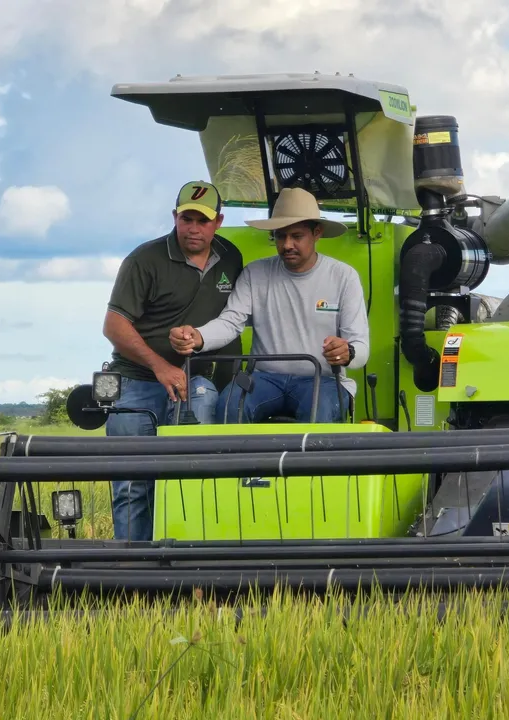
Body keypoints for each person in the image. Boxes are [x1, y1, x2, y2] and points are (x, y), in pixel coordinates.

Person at [103, 180, 243, 540]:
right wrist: (159, 365)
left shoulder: (231, 258)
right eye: (186, 218)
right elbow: (114, 326)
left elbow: (233, 322)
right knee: (133, 485)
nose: (193, 228)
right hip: (137, 382)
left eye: (203, 220)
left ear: (219, 221)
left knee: (193, 477)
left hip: (194, 381)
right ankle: (132, 574)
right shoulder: (143, 260)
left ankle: (191, 566)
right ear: (174, 217)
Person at [169, 186, 369, 424]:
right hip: (264, 378)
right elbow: (231, 322)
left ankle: (305, 463)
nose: (287, 245)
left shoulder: (344, 276)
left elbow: (360, 348)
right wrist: (197, 336)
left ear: (317, 233)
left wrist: (347, 352)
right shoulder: (256, 272)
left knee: (319, 409)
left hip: (322, 378)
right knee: (230, 405)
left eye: (296, 236)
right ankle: (243, 463)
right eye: (280, 236)